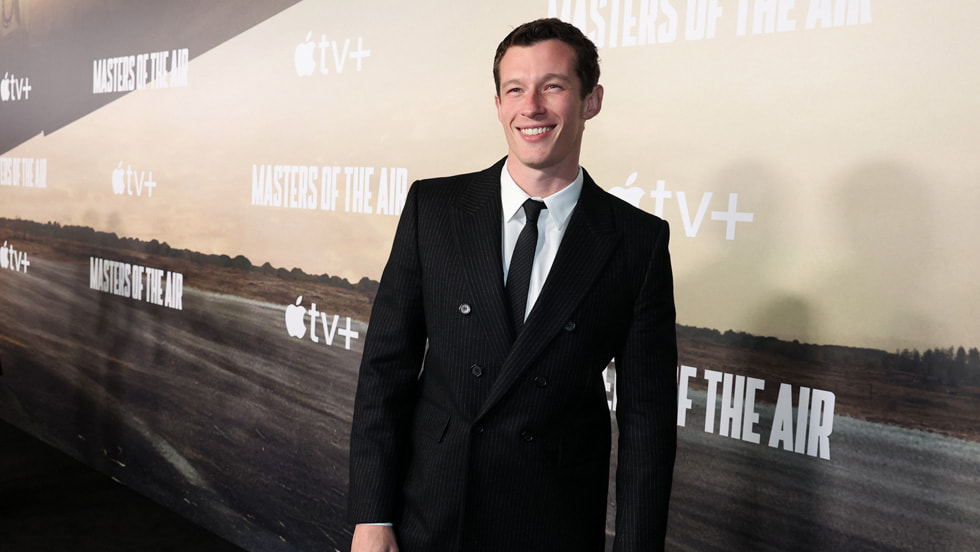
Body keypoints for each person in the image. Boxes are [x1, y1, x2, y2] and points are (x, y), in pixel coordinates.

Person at [347, 18, 677, 552]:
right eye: (515, 89)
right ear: (499, 104)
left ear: (590, 100)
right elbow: (386, 370)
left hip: (552, 522)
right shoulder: (433, 210)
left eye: (553, 86)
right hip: (430, 514)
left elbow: (648, 425)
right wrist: (371, 513)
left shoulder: (636, 242)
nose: (532, 107)